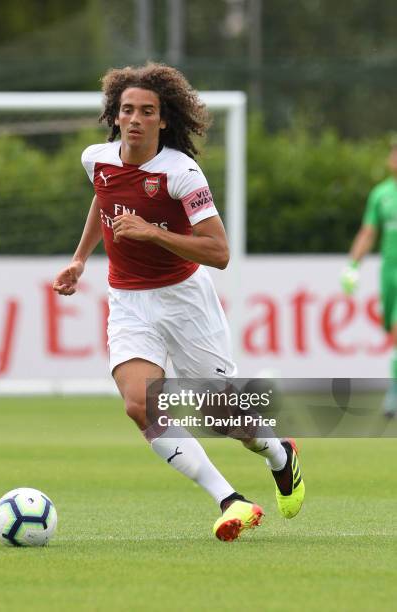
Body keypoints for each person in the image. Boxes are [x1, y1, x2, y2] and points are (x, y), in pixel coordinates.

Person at [53, 63, 304, 541]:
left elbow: (219, 252)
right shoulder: (96, 159)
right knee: (138, 405)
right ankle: (231, 500)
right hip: (127, 300)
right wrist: (80, 259)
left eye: (147, 111)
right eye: (127, 109)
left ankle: (280, 453)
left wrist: (153, 233)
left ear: (163, 119)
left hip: (185, 301)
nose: (135, 119)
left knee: (223, 418)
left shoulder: (181, 173)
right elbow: (101, 201)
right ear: (115, 114)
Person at [341, 142, 397, 418]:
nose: (394, 157)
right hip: (389, 273)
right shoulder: (381, 194)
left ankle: (394, 393)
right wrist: (353, 265)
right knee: (392, 330)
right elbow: (368, 232)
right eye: (393, 152)